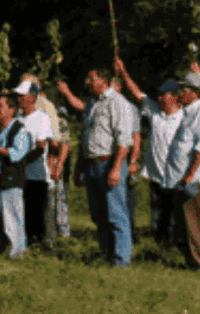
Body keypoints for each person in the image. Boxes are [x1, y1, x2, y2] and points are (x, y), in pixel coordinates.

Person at [57, 66, 136, 268]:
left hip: (109, 162)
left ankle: (121, 260)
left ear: (104, 79)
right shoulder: (92, 105)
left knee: (116, 213)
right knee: (98, 215)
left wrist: (117, 167)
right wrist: (78, 168)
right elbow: (86, 138)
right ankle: (106, 253)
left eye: (91, 79)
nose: (88, 83)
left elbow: (124, 140)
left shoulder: (117, 103)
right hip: (92, 165)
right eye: (88, 79)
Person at [113, 59, 184, 246]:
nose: (160, 98)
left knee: (173, 214)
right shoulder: (155, 113)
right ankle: (159, 244)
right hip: (155, 174)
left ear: (175, 96)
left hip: (176, 176)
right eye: (159, 94)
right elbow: (137, 93)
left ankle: (174, 244)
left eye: (163, 94)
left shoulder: (184, 118)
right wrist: (123, 71)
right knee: (157, 212)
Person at [163, 72, 200, 270]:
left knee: (196, 224)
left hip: (195, 180)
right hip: (183, 179)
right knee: (184, 225)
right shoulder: (188, 113)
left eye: (183, 89)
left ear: (195, 92)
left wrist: (190, 174)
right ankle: (191, 263)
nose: (180, 94)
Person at [0, 92, 31, 259]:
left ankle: (18, 254)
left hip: (10, 181)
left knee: (12, 221)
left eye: (0, 105)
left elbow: (17, 154)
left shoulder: (20, 130)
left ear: (12, 109)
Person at [8, 80, 55, 248]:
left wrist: (21, 161)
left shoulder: (42, 118)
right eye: (18, 96)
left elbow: (41, 148)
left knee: (36, 217)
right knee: (22, 215)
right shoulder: (17, 119)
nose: (19, 99)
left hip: (36, 177)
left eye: (23, 95)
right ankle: (23, 247)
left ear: (33, 97)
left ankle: (39, 249)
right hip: (19, 177)